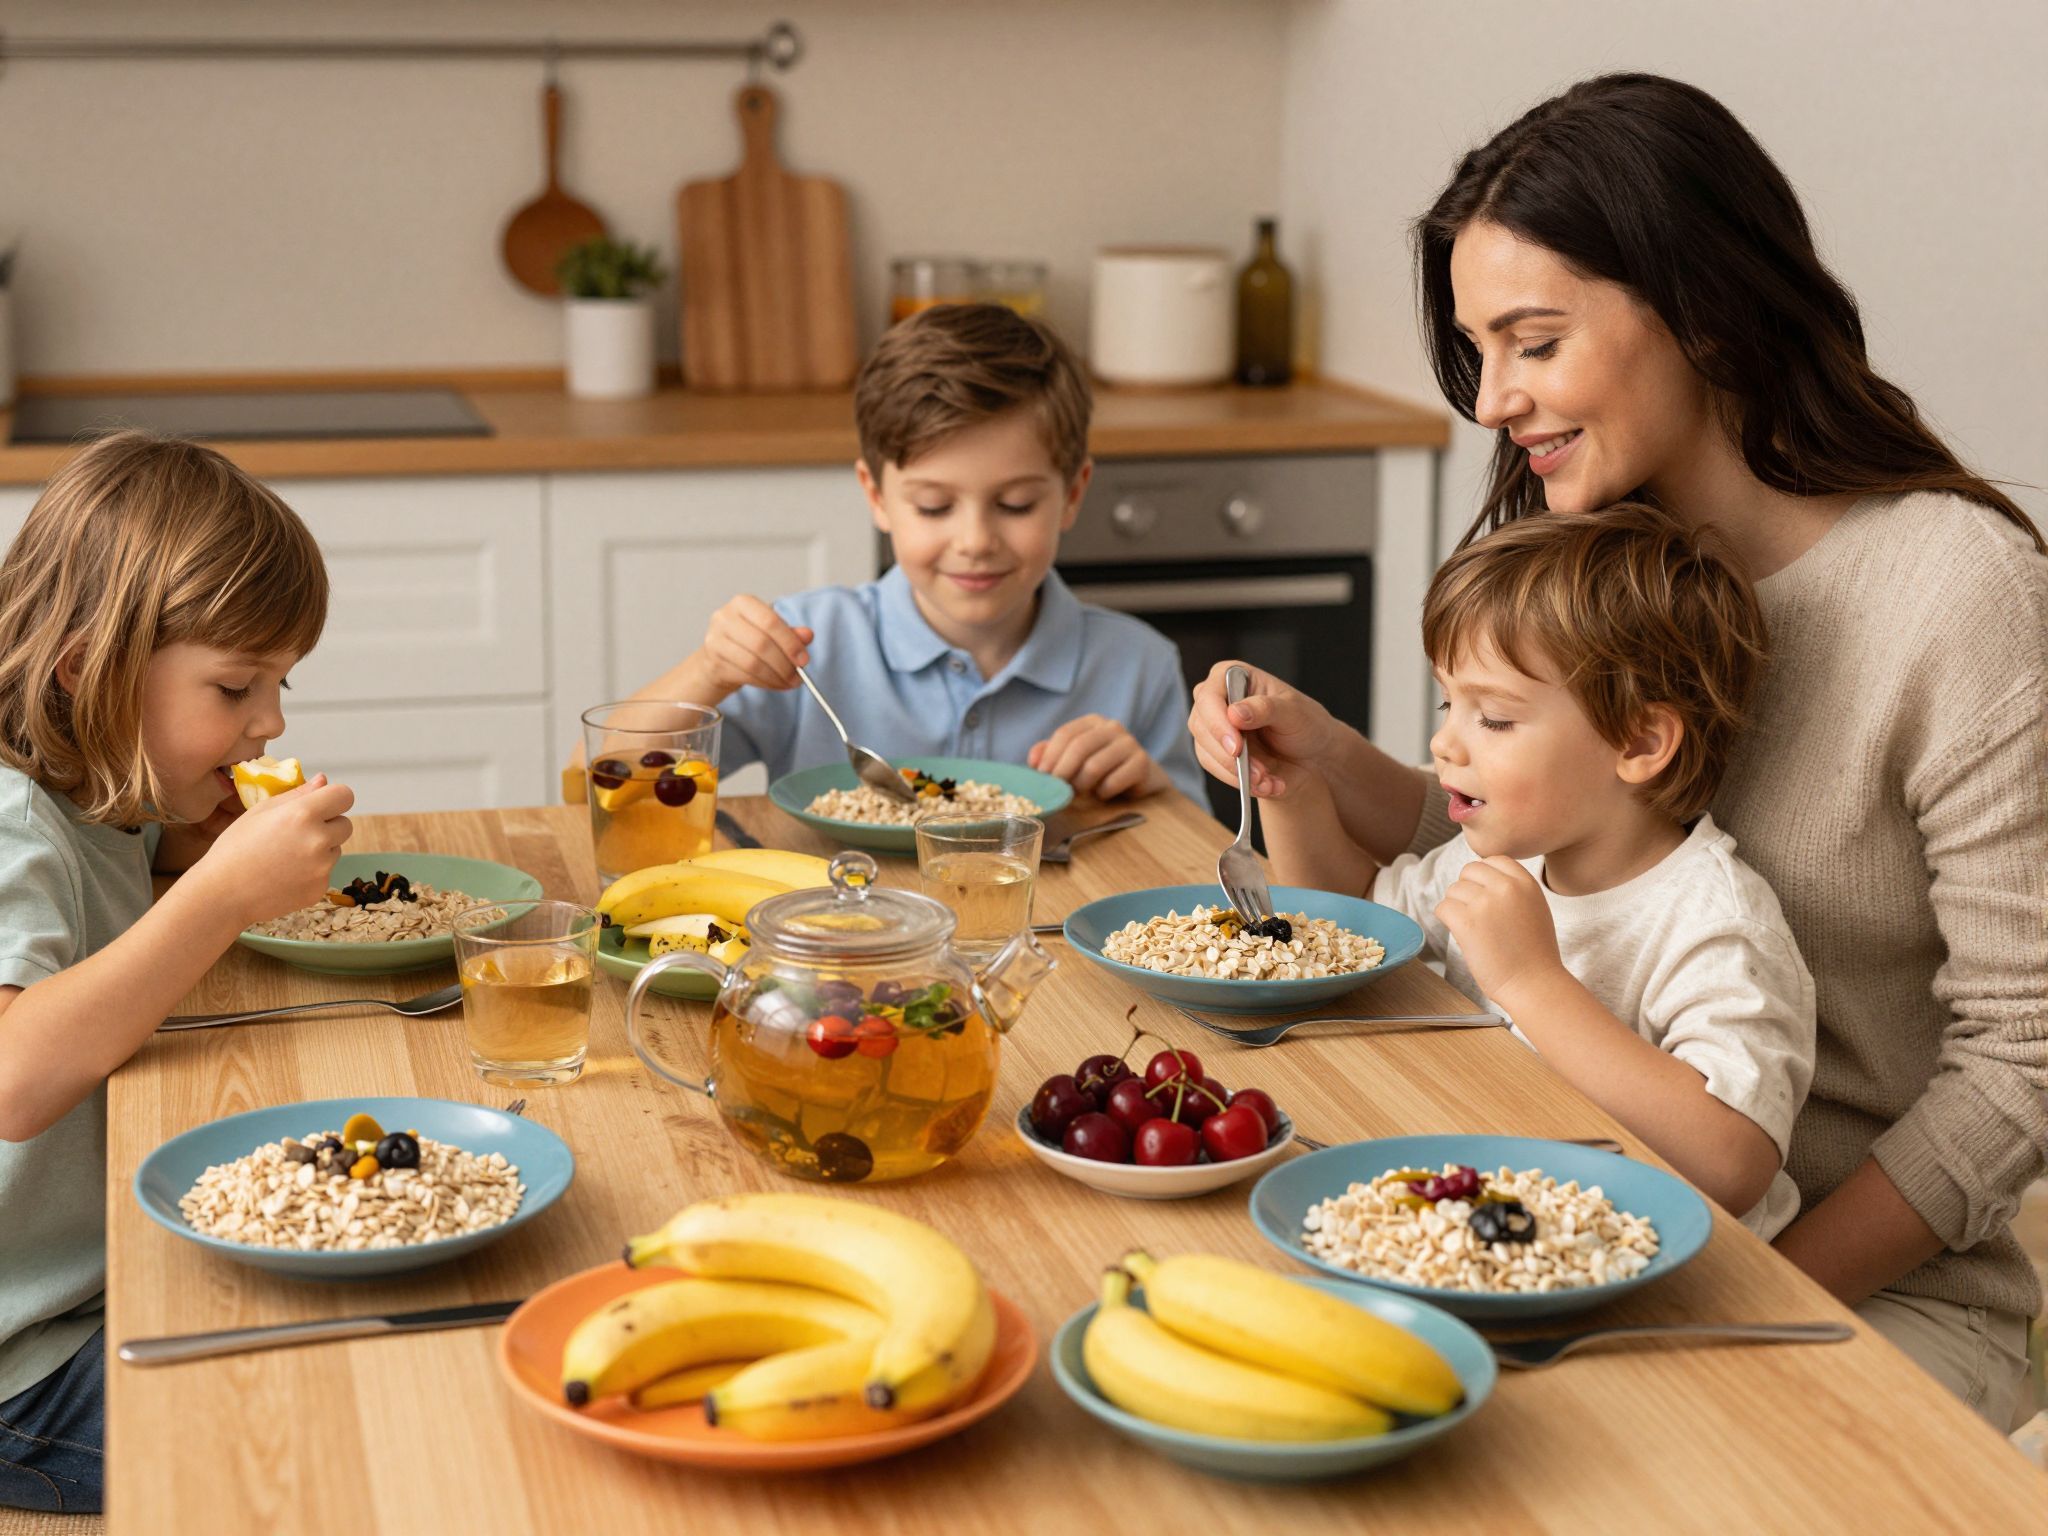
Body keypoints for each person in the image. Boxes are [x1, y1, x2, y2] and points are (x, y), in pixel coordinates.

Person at [1189, 73, 2047, 1429]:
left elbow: (2023, 1062)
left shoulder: (1959, 596)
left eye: (1531, 342)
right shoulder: (1593, 553)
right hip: (1575, 1226)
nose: (1489, 403)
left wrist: (1754, 1289)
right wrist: (1329, 758)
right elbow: (1525, 862)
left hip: (1857, 1290)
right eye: (1477, 352)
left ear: (1701, 303)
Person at [1278, 503, 1812, 1235]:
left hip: (1671, 1281)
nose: (1443, 744)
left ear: (1639, 740)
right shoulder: (1496, 852)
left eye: (1492, 718)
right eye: (1448, 703)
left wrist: (1531, 982)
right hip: (1501, 1230)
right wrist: (1290, 787)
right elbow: (1349, 921)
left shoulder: (1717, 923)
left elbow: (1733, 1163)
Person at [0, 432, 355, 1512]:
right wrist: (217, 898)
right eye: (235, 686)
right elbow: (14, 1076)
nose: (271, 721)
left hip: (96, 1277)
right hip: (26, 1363)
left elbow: (92, 926)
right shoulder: (12, 821)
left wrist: (185, 855)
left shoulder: (96, 795)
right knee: (327, 1446)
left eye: (279, 682)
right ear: (84, 670)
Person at [595, 303, 1204, 804]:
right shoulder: (812, 646)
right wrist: (710, 671)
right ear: (877, 497)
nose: (974, 541)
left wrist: (1148, 787)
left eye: (1015, 504)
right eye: (935, 507)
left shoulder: (1138, 666)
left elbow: (1192, 871)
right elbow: (595, 783)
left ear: (1072, 495)